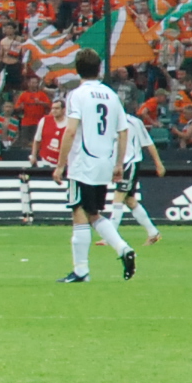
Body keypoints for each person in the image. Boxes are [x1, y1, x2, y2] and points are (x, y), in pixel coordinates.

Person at [54, 50, 134, 283]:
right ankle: (123, 248)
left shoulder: (77, 95)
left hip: (82, 163)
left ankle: (81, 270)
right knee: (93, 213)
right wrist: (118, 163)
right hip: (104, 163)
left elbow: (71, 130)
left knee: (78, 212)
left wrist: (60, 165)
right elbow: (123, 131)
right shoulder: (111, 95)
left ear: (77, 69)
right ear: (99, 69)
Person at [116, 102, 168, 245]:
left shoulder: (134, 122)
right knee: (129, 200)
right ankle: (153, 233)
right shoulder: (109, 122)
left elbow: (148, 143)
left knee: (118, 197)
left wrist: (158, 163)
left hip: (130, 162)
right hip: (118, 164)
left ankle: (111, 235)